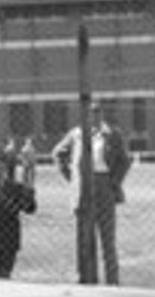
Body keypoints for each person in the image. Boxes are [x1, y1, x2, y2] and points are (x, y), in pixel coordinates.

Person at [51, 99, 130, 285]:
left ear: (102, 114)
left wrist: (114, 182)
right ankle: (86, 280)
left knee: (107, 239)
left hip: (105, 186)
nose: (94, 115)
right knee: (85, 239)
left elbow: (124, 160)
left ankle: (113, 281)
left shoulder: (112, 134)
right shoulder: (76, 134)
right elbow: (57, 153)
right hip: (83, 188)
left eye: (97, 112)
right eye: (90, 112)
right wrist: (72, 178)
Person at [0, 156, 37, 278]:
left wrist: (29, 193)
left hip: (7, 244)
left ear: (5, 169)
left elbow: (30, 208)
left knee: (3, 277)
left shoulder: (16, 189)